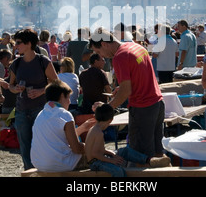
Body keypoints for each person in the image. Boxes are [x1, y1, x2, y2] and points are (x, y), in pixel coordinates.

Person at [89, 28, 166, 160]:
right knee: (158, 154)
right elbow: (140, 75)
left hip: (143, 108)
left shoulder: (119, 57)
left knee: (141, 158)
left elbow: (126, 91)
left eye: (98, 51)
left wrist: (106, 108)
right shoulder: (136, 46)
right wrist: (123, 87)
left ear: (104, 44)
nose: (101, 56)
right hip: (157, 104)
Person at [8, 28, 58, 170]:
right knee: (24, 146)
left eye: (18, 43)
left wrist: (41, 91)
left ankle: (44, 171)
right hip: (21, 109)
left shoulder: (43, 61)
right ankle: (29, 172)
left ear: (29, 43)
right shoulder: (16, 64)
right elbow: (10, 86)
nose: (15, 46)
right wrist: (15, 89)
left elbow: (56, 82)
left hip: (41, 109)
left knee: (42, 143)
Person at [85, 102, 171, 177]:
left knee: (125, 151)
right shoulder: (98, 133)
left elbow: (99, 150)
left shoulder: (95, 129)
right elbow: (95, 154)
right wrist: (111, 160)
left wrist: (111, 154)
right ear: (110, 120)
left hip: (100, 158)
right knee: (119, 171)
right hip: (95, 163)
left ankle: (149, 160)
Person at [30, 79, 94, 172]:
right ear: (61, 96)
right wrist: (91, 147)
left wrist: (83, 128)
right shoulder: (64, 114)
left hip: (39, 164)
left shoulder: (41, 114)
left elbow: (59, 138)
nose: (69, 102)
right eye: (68, 98)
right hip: (60, 164)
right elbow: (76, 148)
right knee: (99, 156)